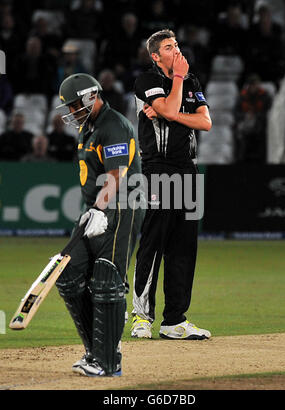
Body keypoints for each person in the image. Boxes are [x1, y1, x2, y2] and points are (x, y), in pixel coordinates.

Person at [55, 73, 144, 377]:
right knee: (68, 275)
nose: (71, 112)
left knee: (107, 279)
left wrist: (97, 208)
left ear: (91, 96)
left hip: (121, 207)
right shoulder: (88, 128)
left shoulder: (114, 125)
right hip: (96, 210)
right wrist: (90, 211)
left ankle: (108, 361)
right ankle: (96, 352)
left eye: (74, 105)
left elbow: (117, 175)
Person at [131, 29, 212, 340]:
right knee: (153, 243)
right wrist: (177, 81)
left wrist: (171, 113)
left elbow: (206, 122)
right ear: (155, 56)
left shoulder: (193, 82)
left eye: (177, 44)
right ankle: (141, 318)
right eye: (168, 47)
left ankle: (174, 321)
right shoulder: (147, 80)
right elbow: (167, 108)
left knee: (183, 248)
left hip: (188, 171)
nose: (176, 49)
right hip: (159, 170)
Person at [235, 74, 272, 163]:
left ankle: (261, 161)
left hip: (260, 126)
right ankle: (241, 161)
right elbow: (236, 112)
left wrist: (256, 116)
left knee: (261, 136)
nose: (254, 87)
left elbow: (269, 112)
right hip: (246, 126)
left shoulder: (265, 96)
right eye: (252, 85)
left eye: (256, 84)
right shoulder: (242, 96)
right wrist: (245, 116)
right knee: (240, 134)